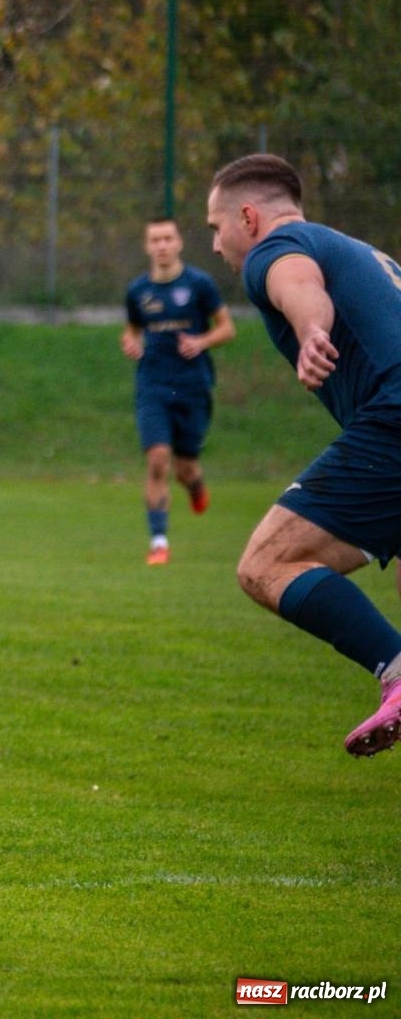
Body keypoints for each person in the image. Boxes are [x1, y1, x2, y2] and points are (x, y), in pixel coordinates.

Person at [206, 152, 401, 757]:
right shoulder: (362, 251)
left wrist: (313, 329)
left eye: (215, 227)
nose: (215, 245)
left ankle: (396, 674)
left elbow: (300, 288)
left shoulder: (275, 248)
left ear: (248, 216)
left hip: (395, 418)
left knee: (267, 564)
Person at [120, 217, 236, 565]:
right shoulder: (138, 291)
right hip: (153, 385)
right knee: (157, 461)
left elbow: (227, 329)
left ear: (178, 243)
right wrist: (131, 343)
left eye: (168, 238)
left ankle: (196, 486)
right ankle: (159, 543)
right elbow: (131, 331)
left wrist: (201, 341)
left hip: (193, 386)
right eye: (155, 240)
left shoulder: (200, 284)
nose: (162, 245)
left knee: (185, 469)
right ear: (147, 246)